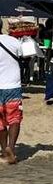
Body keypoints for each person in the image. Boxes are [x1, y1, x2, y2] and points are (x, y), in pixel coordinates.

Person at [0, 33, 23, 164]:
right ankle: (11, 149)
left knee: (0, 121)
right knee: (14, 118)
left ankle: (4, 151)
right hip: (12, 86)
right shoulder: (13, 41)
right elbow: (26, 54)